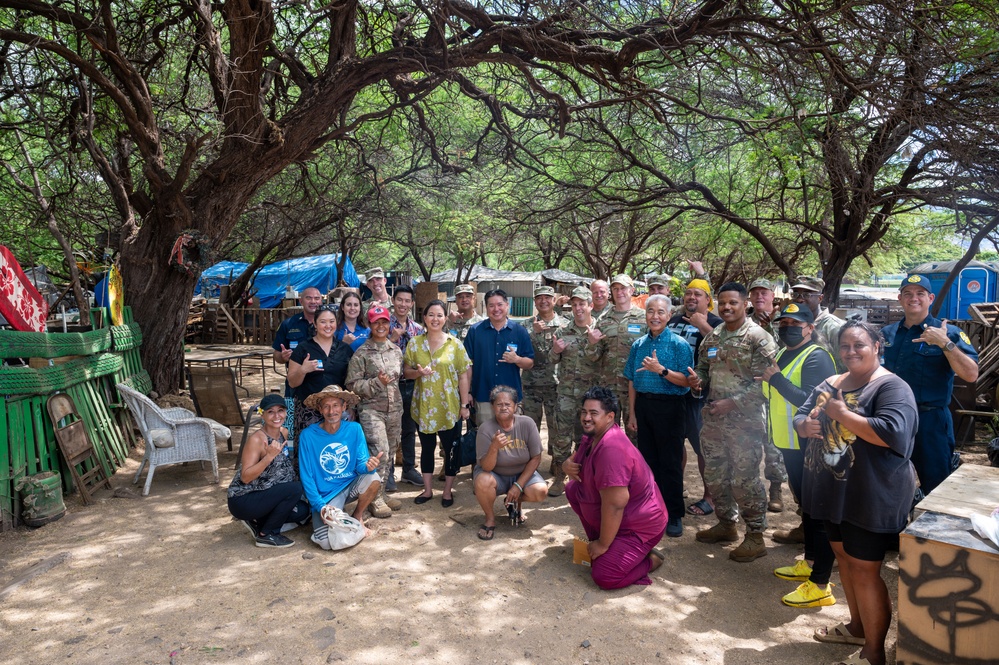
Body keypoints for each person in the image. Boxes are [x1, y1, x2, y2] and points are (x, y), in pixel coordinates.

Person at [795, 321, 918, 665]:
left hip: (871, 493)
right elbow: (802, 414)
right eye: (844, 346)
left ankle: (873, 653)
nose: (851, 352)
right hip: (834, 492)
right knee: (846, 562)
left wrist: (843, 414)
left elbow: (892, 435)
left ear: (877, 345)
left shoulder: (892, 388)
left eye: (859, 345)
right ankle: (857, 627)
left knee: (865, 570)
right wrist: (803, 425)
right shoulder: (832, 382)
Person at [688, 282, 776, 562]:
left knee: (745, 480)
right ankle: (727, 525)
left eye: (733, 303)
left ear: (744, 304)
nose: (726, 307)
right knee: (716, 476)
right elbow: (702, 371)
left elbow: (768, 383)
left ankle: (755, 536)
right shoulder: (712, 337)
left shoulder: (759, 338)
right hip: (714, 420)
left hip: (745, 424)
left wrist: (733, 403)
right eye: (722, 303)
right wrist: (696, 383)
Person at [758, 303, 837, 608]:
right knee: (805, 504)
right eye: (783, 322)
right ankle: (810, 559)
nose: (786, 327)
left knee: (817, 508)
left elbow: (814, 401)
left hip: (809, 443)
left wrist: (776, 380)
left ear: (809, 327)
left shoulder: (816, 357)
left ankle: (820, 580)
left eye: (794, 323)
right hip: (789, 442)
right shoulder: (782, 353)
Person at [882, 274, 978, 495]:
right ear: (900, 298)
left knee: (936, 486)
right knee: (887, 482)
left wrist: (945, 344)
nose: (913, 298)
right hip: (892, 418)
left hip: (931, 422)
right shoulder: (887, 334)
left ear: (931, 298)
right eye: (907, 293)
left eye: (920, 293)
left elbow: (971, 374)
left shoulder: (950, 333)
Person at [565, 386, 668, 590]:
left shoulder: (611, 449)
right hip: (625, 517)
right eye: (584, 412)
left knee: (605, 576)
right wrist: (565, 465)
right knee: (572, 490)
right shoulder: (594, 436)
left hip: (641, 525)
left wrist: (603, 545)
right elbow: (576, 461)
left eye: (594, 413)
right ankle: (610, 544)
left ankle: (650, 560)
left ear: (610, 416)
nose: (586, 417)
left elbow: (615, 505)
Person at [624, 294, 693, 538]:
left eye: (660, 312)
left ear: (668, 315)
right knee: (647, 462)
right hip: (644, 406)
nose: (655, 316)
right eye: (650, 311)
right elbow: (631, 379)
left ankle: (674, 514)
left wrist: (661, 370)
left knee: (670, 463)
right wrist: (632, 413)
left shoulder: (679, 344)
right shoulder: (638, 344)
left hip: (671, 408)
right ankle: (651, 509)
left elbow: (686, 383)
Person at [404, 299, 472, 507]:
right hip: (423, 407)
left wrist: (464, 405)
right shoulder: (414, 343)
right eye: (431, 314)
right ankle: (427, 490)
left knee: (451, 449)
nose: (435, 319)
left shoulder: (455, 344)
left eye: (439, 315)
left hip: (449, 407)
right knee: (426, 448)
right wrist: (418, 372)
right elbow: (406, 372)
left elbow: (463, 375)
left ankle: (448, 491)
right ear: (424, 318)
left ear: (445, 318)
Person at [298, 385, 383, 550]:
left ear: (344, 407)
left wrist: (368, 466)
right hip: (325, 496)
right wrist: (320, 506)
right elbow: (307, 476)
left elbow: (361, 465)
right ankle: (339, 516)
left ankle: (357, 516)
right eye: (327, 406)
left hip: (348, 485)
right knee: (326, 543)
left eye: (336, 405)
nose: (332, 411)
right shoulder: (308, 436)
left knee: (373, 478)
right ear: (320, 409)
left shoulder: (354, 429)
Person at [666, 272, 722, 517]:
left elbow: (725, 354)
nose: (691, 297)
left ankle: (710, 497)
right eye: (688, 292)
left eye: (697, 294)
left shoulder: (718, 323)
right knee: (675, 446)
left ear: (707, 299)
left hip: (701, 398)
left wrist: (704, 327)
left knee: (704, 449)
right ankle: (674, 491)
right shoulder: (674, 320)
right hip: (673, 392)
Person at [227, 394, 310, 548]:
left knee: (302, 512)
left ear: (286, 412)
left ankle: (256, 520)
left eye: (280, 410)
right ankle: (267, 534)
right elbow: (245, 477)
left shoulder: (284, 433)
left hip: (266, 493)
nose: (276, 416)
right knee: (295, 488)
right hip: (244, 499)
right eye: (270, 412)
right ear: (262, 414)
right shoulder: (257, 440)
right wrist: (268, 457)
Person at [345, 305, 403, 518]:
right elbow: (351, 385)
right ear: (369, 324)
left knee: (390, 452)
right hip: (372, 411)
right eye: (376, 322)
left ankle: (381, 492)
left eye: (384, 321)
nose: (381, 326)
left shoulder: (396, 351)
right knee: (380, 453)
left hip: (394, 410)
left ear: (390, 324)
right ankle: (374, 499)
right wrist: (376, 383)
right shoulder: (362, 352)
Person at [472, 386, 549, 540]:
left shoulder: (527, 423)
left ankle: (514, 501)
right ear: (493, 407)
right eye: (499, 404)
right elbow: (486, 467)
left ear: (515, 406)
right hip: (496, 475)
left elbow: (536, 458)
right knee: (482, 481)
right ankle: (490, 519)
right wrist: (494, 447)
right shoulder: (485, 429)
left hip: (522, 474)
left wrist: (518, 486)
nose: (504, 407)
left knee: (540, 491)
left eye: (508, 404)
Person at [547, 286, 599, 496]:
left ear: (591, 306)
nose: (578, 308)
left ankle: (585, 477)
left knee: (587, 437)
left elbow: (600, 360)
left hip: (590, 396)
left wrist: (593, 344)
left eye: (582, 304)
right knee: (561, 437)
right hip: (566, 393)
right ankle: (560, 476)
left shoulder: (598, 330)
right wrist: (555, 351)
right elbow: (552, 360)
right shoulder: (562, 331)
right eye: (574, 304)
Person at [585, 274, 647, 443]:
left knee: (635, 435)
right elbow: (594, 357)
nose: (619, 292)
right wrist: (591, 343)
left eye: (623, 288)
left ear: (632, 290)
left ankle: (634, 469)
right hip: (608, 388)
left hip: (634, 389)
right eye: (615, 288)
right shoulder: (603, 320)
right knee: (606, 435)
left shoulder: (644, 318)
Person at [463, 289, 535, 425]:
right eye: (491, 305)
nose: (496, 309)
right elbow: (467, 366)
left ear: (507, 305)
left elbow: (529, 363)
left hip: (511, 399)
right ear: (486, 307)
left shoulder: (520, 331)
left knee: (511, 441)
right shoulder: (475, 331)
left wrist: (517, 360)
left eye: (500, 304)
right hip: (483, 396)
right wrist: (467, 393)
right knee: (485, 439)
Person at [749, 277, 787, 513]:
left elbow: (787, 349)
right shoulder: (744, 320)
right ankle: (752, 490)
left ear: (773, 296)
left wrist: (771, 327)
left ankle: (775, 488)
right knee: (748, 441)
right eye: (755, 293)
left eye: (764, 293)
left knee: (773, 443)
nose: (760, 297)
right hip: (749, 391)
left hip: (774, 390)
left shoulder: (785, 321)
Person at [287, 304, 354, 437]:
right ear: (315, 324)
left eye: (331, 321)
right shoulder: (303, 348)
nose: (328, 326)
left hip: (337, 410)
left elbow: (350, 382)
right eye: (323, 322)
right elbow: (292, 383)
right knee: (310, 449)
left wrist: (350, 407)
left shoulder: (345, 349)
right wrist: (303, 370)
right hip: (308, 410)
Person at [520, 285, 567, 466]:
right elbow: (520, 348)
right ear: (535, 302)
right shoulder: (526, 325)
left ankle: (557, 464)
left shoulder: (564, 324)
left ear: (554, 301)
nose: (543, 301)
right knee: (529, 427)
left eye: (547, 297)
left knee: (557, 427)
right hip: (531, 385)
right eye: (539, 298)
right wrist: (534, 333)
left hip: (556, 384)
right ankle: (528, 465)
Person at [386, 284, 425, 488]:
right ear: (393, 301)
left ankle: (409, 469)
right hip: (389, 385)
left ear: (411, 304)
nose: (403, 304)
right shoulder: (383, 325)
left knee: (409, 428)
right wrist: (392, 339)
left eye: (407, 301)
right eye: (399, 300)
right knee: (391, 428)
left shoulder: (418, 329)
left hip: (412, 383)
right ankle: (388, 471)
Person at [271, 286, 324, 433]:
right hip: (294, 387)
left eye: (316, 298)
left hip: (321, 386)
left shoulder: (329, 325)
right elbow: (276, 355)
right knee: (290, 429)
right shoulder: (289, 324)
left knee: (319, 430)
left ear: (321, 300)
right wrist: (282, 357)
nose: (313, 302)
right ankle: (289, 455)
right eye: (309, 298)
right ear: (301, 301)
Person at [791, 276, 846, 372]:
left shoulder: (835, 327)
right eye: (795, 294)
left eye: (807, 295)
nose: (799, 299)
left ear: (820, 298)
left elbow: (846, 367)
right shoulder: (792, 324)